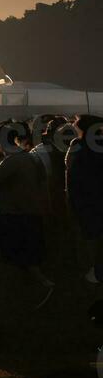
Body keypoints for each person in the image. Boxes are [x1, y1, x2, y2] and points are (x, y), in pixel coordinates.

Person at [0, 128, 56, 308]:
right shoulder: (31, 158)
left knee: (18, 256)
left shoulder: (11, 161)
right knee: (29, 255)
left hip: (14, 214)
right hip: (32, 212)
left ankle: (43, 285)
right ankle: (28, 294)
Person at [68, 115, 103, 284]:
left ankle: (94, 269)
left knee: (91, 237)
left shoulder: (79, 149)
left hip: (88, 202)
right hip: (94, 199)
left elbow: (74, 179)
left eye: (76, 125)